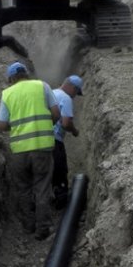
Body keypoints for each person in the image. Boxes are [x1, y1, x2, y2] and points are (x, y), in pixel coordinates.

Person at [0, 61, 60, 240]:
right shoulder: (42, 86)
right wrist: (47, 125)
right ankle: (43, 229)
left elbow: (1, 124)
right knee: (42, 187)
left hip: (19, 150)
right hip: (42, 146)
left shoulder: (7, 93)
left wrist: (16, 126)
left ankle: (28, 225)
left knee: (23, 188)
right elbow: (56, 113)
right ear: (26, 73)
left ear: (10, 79)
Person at [52, 75, 84, 209]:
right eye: (76, 92)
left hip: (40, 138)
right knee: (60, 171)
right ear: (72, 88)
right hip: (55, 140)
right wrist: (75, 131)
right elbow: (66, 123)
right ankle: (62, 204)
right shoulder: (66, 98)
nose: (75, 96)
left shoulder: (52, 93)